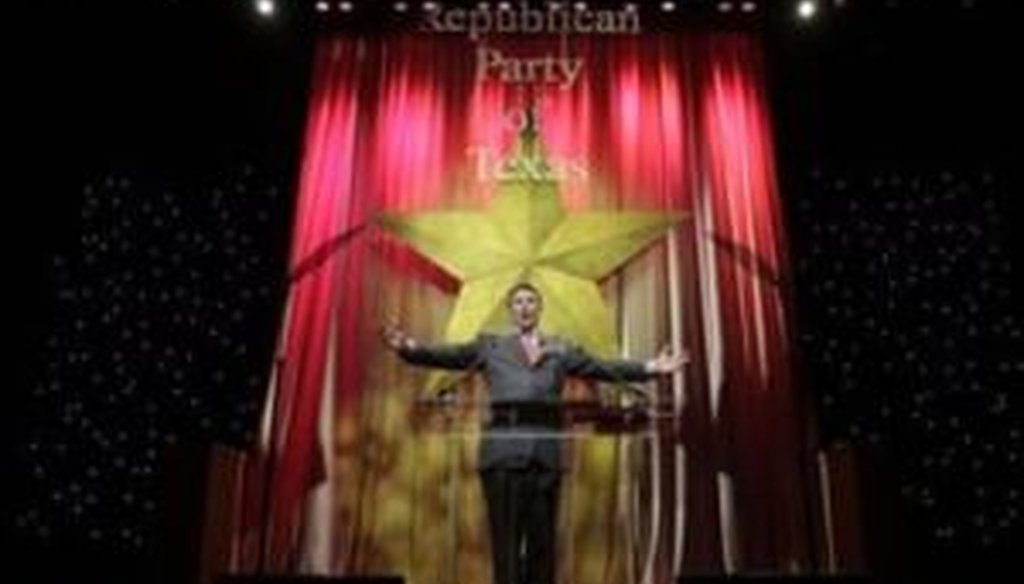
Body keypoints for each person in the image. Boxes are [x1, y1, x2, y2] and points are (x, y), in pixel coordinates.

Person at [381, 282, 686, 584]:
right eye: (518, 302)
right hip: (502, 460)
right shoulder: (490, 345)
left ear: (539, 309)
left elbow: (603, 367)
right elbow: (446, 356)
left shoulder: (561, 348)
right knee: (507, 550)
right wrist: (409, 347)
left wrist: (651, 367)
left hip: (545, 458)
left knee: (543, 550)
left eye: (530, 301)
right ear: (510, 311)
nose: (525, 307)